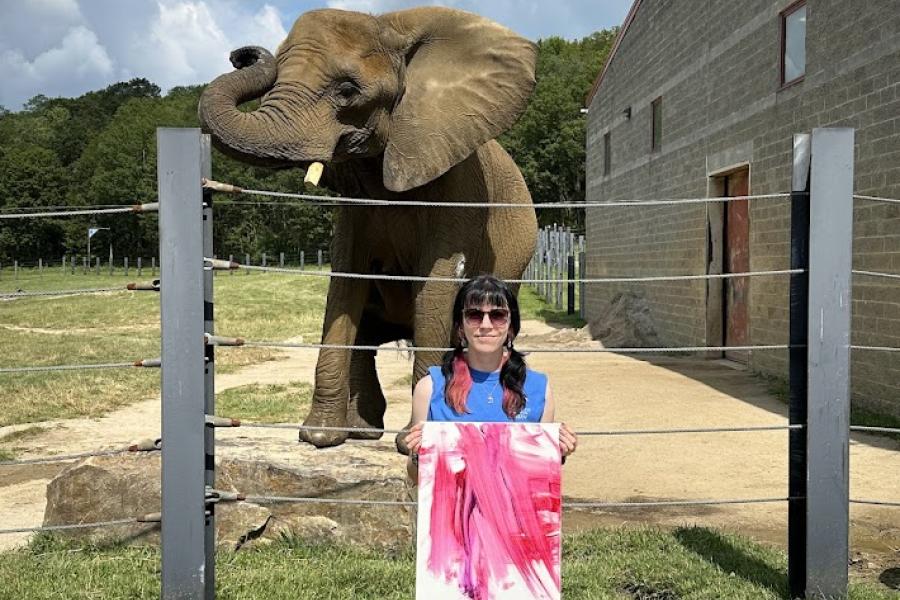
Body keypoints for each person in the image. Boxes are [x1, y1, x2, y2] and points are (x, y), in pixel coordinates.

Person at [404, 274, 577, 482]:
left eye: (497, 315)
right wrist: (417, 455)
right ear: (460, 326)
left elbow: (539, 478)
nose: (486, 325)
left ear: (511, 327)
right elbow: (416, 478)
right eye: (475, 315)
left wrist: (558, 452)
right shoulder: (429, 388)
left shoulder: (539, 389)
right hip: (453, 512)